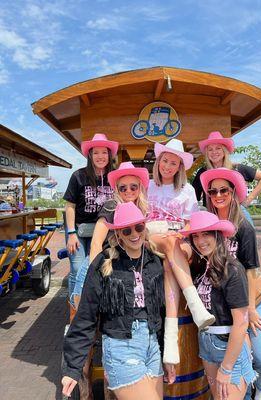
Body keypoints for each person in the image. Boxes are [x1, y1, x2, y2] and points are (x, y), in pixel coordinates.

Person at [62, 202, 165, 400]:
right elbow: (86, 315)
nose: (134, 234)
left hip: (152, 347)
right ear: (118, 234)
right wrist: (73, 368)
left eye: (139, 227)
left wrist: (167, 354)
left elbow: (160, 312)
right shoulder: (104, 263)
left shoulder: (154, 262)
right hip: (121, 347)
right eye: (127, 230)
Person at [201, 167, 261, 400]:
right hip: (224, 303)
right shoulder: (208, 227)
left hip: (250, 298)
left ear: (233, 192)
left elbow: (251, 272)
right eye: (213, 191)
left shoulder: (244, 227)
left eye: (224, 190)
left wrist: (251, 309)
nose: (218, 195)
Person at [169, 210, 255, 399]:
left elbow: (241, 323)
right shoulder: (202, 267)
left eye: (206, 234)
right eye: (196, 236)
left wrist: (227, 368)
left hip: (227, 345)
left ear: (217, 235)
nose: (201, 241)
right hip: (207, 344)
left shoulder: (232, 269)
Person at [147, 138, 215, 368]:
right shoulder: (147, 185)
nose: (168, 166)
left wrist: (180, 235)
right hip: (153, 236)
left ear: (180, 167)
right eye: (165, 160)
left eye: (173, 163)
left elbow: (190, 224)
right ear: (158, 162)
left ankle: (171, 340)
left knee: (170, 259)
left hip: (179, 238)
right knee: (168, 244)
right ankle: (196, 305)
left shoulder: (187, 190)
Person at [72, 161, 149, 310]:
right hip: (102, 261)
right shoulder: (111, 206)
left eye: (133, 187)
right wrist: (93, 273)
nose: (128, 191)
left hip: (121, 265)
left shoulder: (142, 208)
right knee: (82, 309)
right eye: (123, 188)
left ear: (140, 188)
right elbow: (96, 243)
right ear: (117, 190)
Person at [63, 133, 118, 308]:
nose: (100, 156)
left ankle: (94, 308)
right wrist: (71, 233)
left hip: (104, 231)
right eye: (96, 153)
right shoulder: (78, 176)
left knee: (98, 268)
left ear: (109, 155)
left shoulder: (114, 177)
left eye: (104, 152)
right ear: (90, 155)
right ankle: (74, 311)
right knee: (77, 269)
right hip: (78, 230)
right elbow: (69, 206)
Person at [192, 131, 261, 209]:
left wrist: (248, 200)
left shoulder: (237, 168)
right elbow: (194, 197)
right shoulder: (202, 173)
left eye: (218, 148)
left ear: (224, 151)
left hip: (235, 215)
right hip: (212, 216)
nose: (214, 152)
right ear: (207, 153)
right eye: (210, 149)